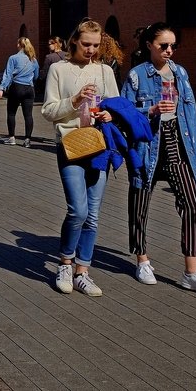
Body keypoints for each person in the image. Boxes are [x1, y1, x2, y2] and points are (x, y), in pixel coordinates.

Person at [121, 23, 196, 296]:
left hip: (179, 142)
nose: (169, 51)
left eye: (173, 46)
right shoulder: (137, 76)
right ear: (149, 46)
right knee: (140, 205)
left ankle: (192, 272)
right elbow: (125, 113)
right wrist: (151, 108)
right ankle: (142, 260)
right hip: (148, 145)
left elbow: (192, 114)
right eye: (163, 45)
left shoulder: (180, 74)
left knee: (192, 204)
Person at [42, 19, 118, 297]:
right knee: (78, 210)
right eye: (86, 44)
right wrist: (74, 100)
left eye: (96, 45)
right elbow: (48, 111)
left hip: (99, 146)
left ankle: (83, 271)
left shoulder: (104, 71)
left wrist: (109, 114)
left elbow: (115, 106)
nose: (91, 50)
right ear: (74, 40)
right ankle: (65, 262)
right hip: (71, 144)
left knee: (94, 214)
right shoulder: (58, 69)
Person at [0, 37, 40, 146]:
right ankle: (27, 140)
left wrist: (1, 88)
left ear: (20, 45)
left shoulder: (13, 58)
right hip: (29, 89)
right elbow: (36, 75)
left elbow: (8, 74)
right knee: (28, 115)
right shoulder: (33, 59)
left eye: (17, 44)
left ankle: (12, 138)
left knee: (11, 113)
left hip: (16, 87)